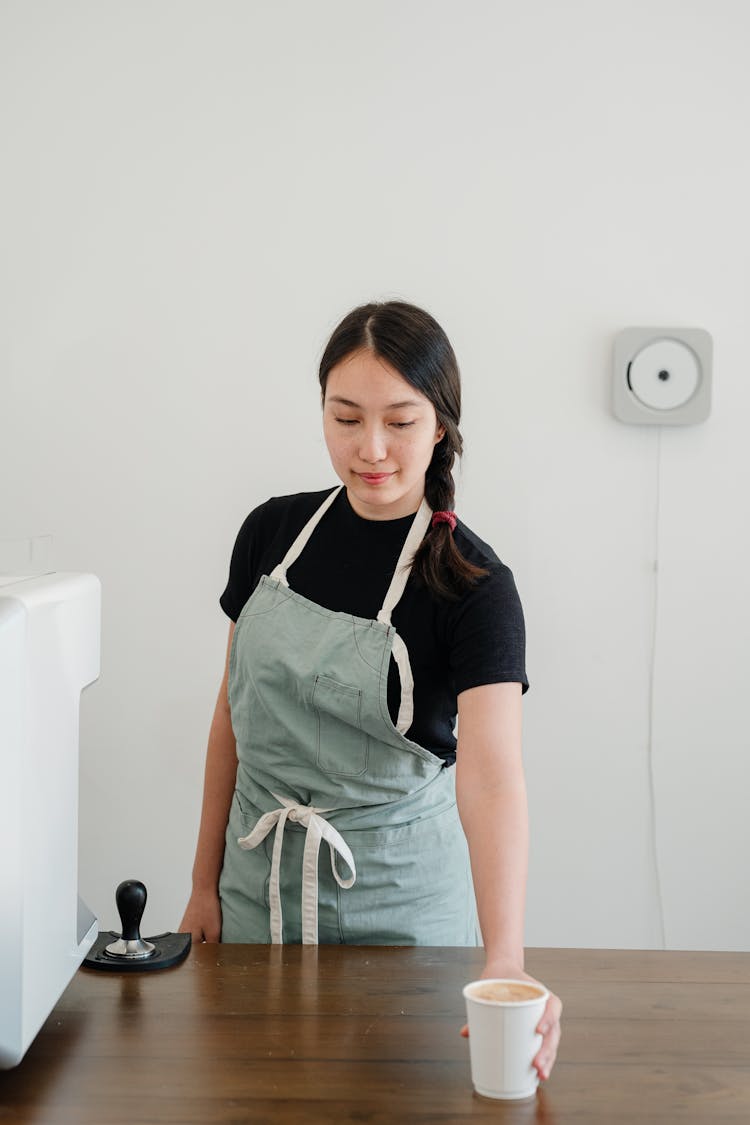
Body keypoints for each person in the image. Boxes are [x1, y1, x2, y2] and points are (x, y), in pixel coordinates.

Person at [180, 300, 562, 1080]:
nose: (371, 448)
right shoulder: (270, 533)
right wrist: (201, 884)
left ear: (441, 427)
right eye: (345, 417)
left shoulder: (475, 587)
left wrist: (506, 958)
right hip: (258, 899)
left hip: (401, 920)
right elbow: (232, 715)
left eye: (400, 420)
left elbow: (492, 779)